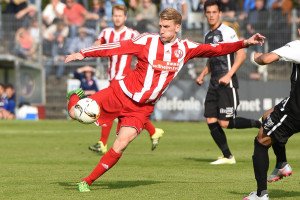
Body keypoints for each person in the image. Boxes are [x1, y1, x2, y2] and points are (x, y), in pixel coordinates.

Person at [65, 8, 265, 192]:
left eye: (167, 27)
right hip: (119, 93)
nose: (162, 30)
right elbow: (116, 47)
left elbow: (216, 49)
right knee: (74, 113)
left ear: (177, 27)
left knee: (121, 144)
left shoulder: (185, 48)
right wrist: (82, 53)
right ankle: (74, 97)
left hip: (141, 109)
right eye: (160, 26)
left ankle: (87, 181)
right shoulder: (146, 41)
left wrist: (244, 42)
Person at [89, 4, 164, 154]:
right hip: (112, 78)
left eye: (120, 16)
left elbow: (145, 49)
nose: (117, 18)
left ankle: (102, 143)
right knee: (126, 114)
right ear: (112, 17)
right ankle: (153, 131)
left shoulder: (132, 34)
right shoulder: (106, 32)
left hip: (124, 80)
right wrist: (96, 45)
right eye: (115, 15)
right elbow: (98, 44)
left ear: (125, 17)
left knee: (108, 109)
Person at [196, 0, 262, 165]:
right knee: (210, 120)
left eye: (214, 12)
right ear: (205, 14)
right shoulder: (207, 35)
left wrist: (229, 75)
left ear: (219, 13)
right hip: (213, 82)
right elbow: (211, 60)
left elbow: (241, 55)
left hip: (227, 82)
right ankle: (227, 156)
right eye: (208, 12)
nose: (211, 15)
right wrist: (203, 74)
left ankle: (259, 123)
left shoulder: (227, 31)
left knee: (224, 122)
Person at [243, 29, 300, 200]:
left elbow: (266, 59)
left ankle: (261, 194)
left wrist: (254, 56)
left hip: (296, 112)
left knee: (261, 141)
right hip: (292, 103)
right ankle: (281, 164)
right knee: (269, 116)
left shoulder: (298, 46)